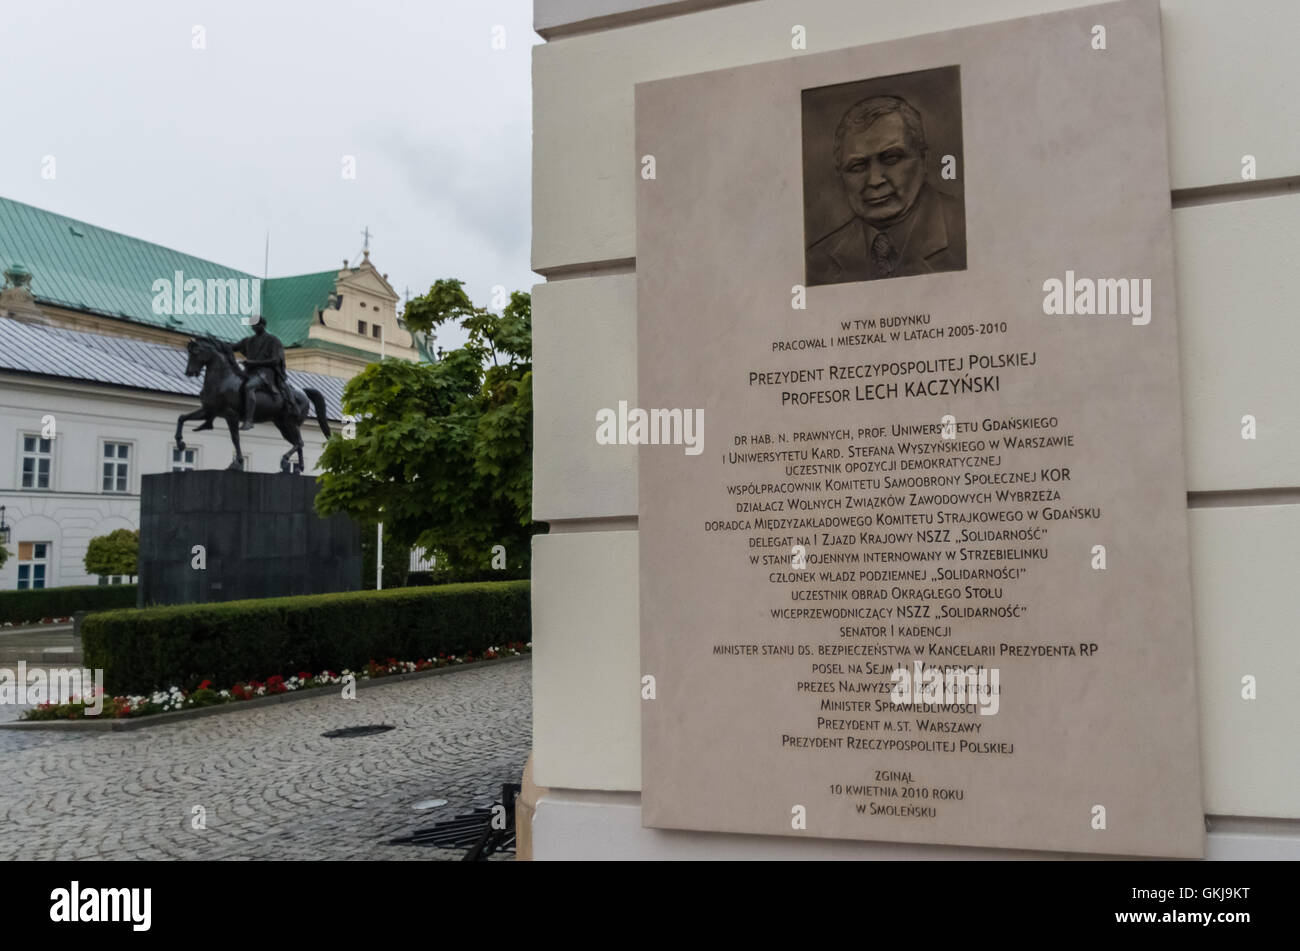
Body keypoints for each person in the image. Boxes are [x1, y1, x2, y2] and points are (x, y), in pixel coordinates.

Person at [806, 95, 965, 286]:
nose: (874, 181)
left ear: (925, 160)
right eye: (857, 166)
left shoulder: (969, 231)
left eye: (891, 158)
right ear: (841, 175)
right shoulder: (816, 261)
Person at [233, 315, 290, 430]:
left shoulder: (273, 340)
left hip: (265, 373)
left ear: (263, 326)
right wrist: (213, 344)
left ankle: (249, 420)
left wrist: (253, 363)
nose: (254, 327)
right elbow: (231, 347)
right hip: (249, 372)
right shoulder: (248, 341)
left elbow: (275, 360)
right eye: (252, 325)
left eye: (256, 325)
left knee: (249, 387)